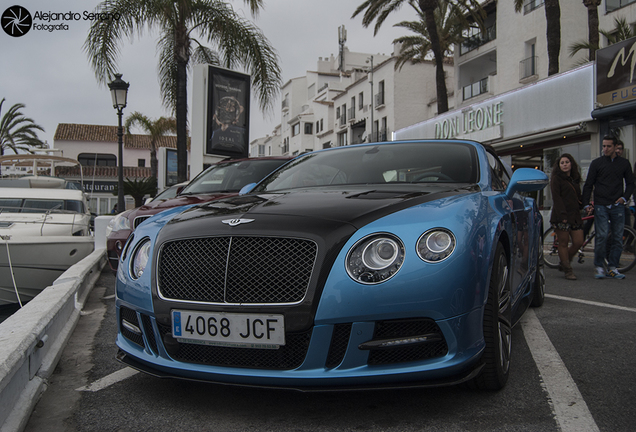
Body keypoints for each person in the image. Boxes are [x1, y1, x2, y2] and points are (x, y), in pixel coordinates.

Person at [582, 135, 635, 279]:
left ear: (615, 147)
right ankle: (599, 266)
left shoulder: (624, 163)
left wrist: (624, 198)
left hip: (617, 205)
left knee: (618, 238)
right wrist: (586, 203)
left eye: (608, 146)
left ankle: (612, 267)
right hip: (601, 205)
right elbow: (588, 184)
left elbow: (631, 183)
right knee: (602, 236)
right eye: (603, 146)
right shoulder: (596, 163)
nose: (605, 149)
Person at [550, 154, 584, 280]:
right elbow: (556, 198)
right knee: (563, 242)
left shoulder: (574, 178)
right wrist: (562, 215)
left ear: (571, 164)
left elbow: (578, 197)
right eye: (562, 162)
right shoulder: (556, 179)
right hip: (561, 215)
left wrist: (585, 205)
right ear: (559, 165)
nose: (564, 164)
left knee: (578, 241)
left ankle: (564, 262)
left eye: (567, 162)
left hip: (575, 215)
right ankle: (568, 270)